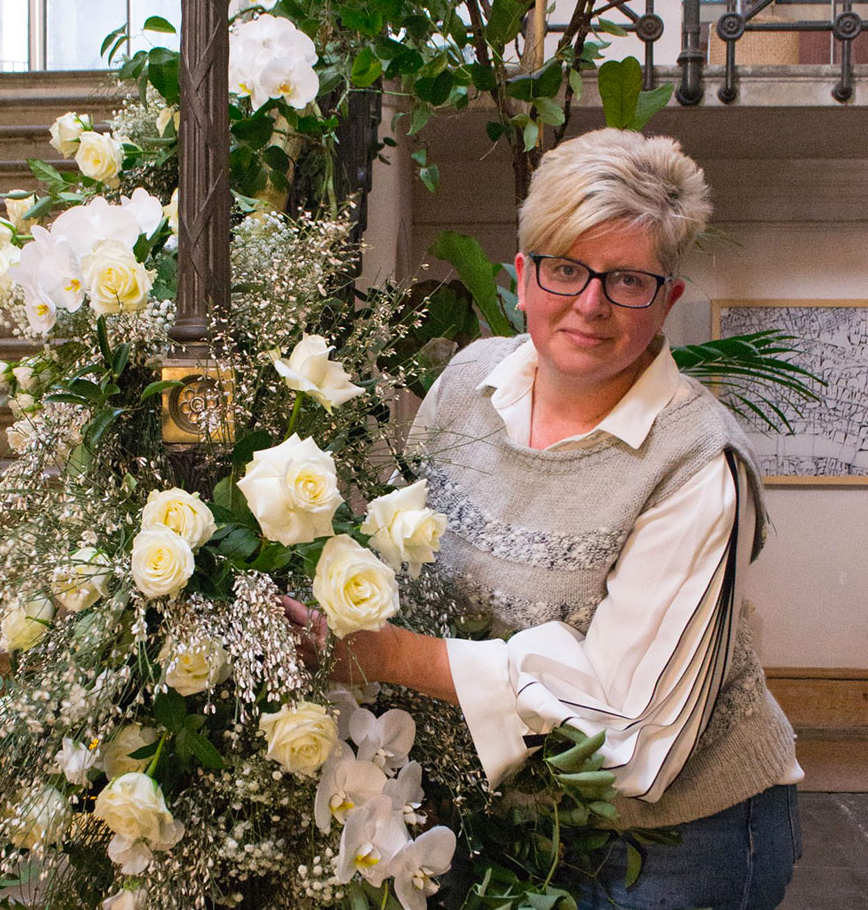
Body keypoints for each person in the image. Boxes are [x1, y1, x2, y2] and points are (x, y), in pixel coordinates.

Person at [284, 127, 802, 909]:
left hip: (671, 844)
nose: (590, 305)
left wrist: (387, 656)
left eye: (628, 280)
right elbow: (392, 544)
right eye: (566, 270)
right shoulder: (468, 380)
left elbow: (627, 729)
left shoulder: (698, 464)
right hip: (505, 824)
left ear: (668, 301)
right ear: (523, 277)